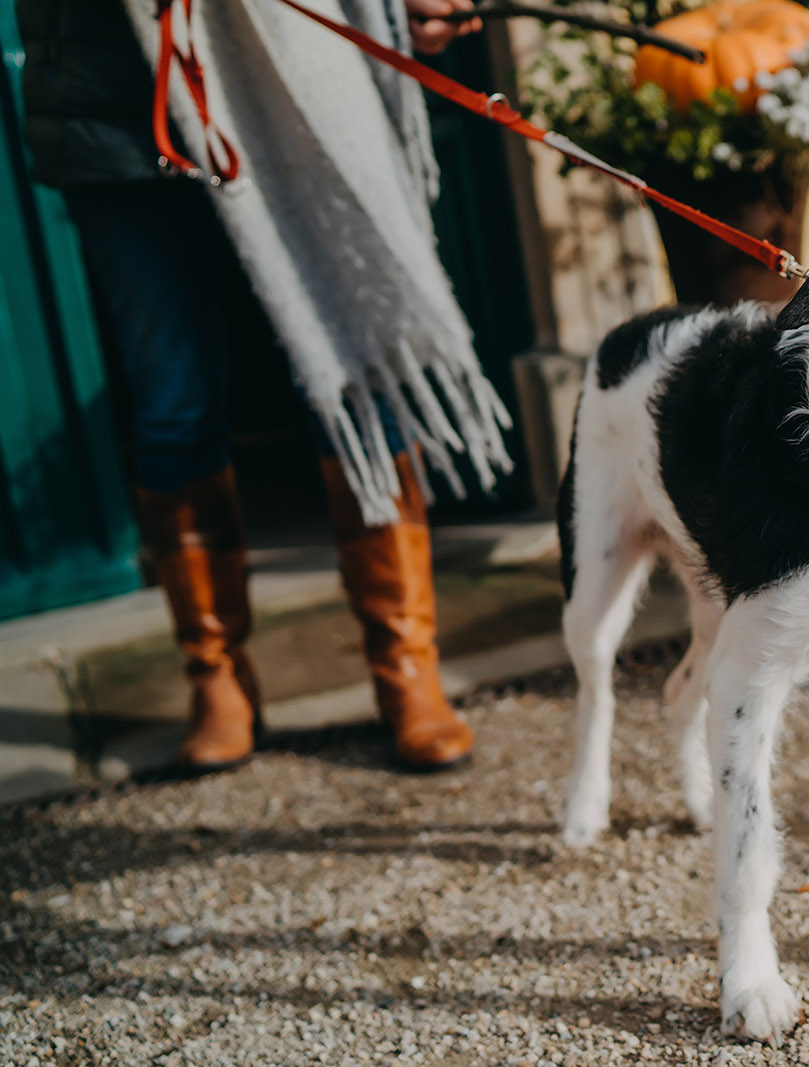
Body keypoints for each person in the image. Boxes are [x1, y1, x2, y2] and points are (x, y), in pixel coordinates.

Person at [19, 0, 493, 771]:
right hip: (107, 102)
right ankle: (215, 675)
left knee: (353, 362)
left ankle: (408, 666)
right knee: (172, 399)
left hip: (289, 76)